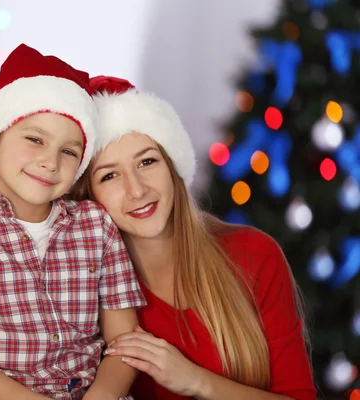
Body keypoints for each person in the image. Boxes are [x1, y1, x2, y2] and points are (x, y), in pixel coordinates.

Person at [0, 44, 146, 399]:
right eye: (34, 140)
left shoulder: (96, 225)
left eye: (68, 151)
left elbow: (124, 342)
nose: (50, 162)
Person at [70, 76, 316, 400]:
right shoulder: (83, 288)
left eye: (147, 161)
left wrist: (196, 381)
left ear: (173, 166)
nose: (138, 189)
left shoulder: (254, 255)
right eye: (110, 175)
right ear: (88, 194)